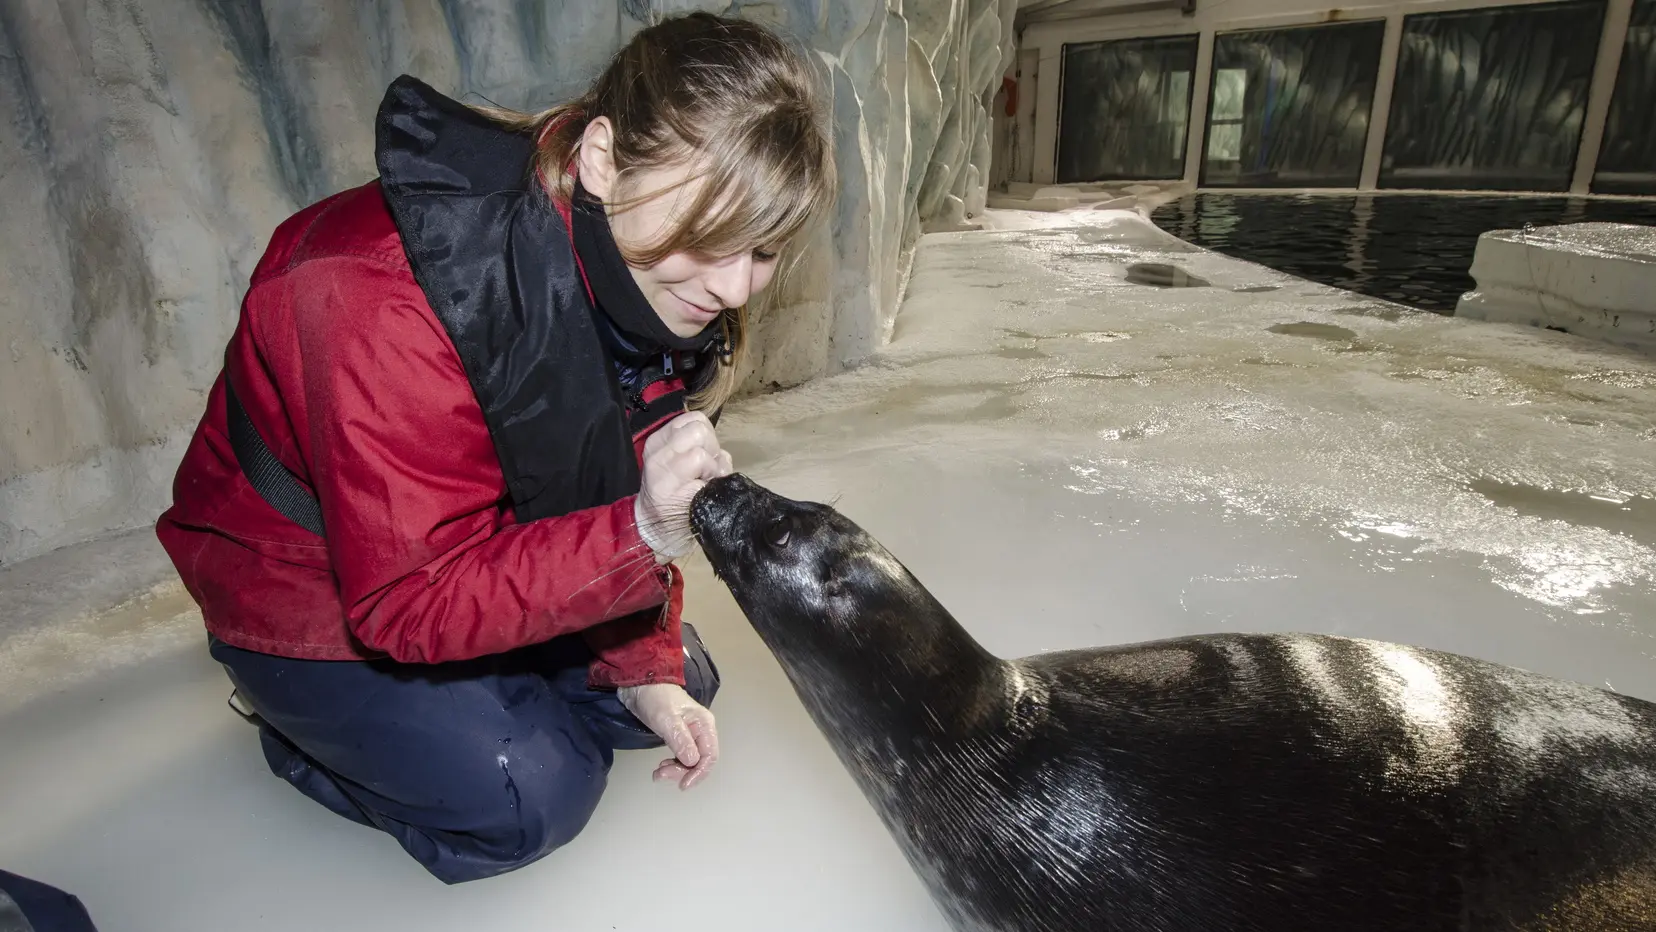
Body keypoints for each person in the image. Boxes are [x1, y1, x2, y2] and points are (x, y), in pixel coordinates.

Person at [154, 12, 834, 884]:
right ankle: (302, 734)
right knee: (532, 794)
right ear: (599, 159)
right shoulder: (373, 296)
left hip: (476, 536)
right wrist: (638, 537)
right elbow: (403, 600)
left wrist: (645, 663)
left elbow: (593, 466)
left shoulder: (644, 278)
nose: (735, 285)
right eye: (711, 233)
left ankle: (497, 694)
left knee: (680, 684)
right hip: (309, 579)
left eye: (765, 248)